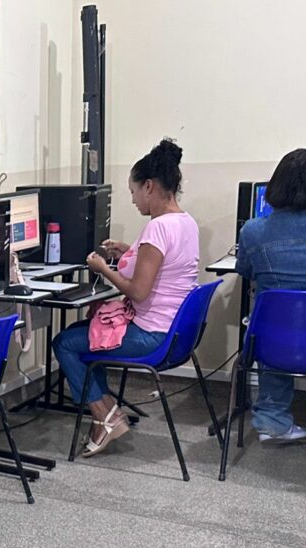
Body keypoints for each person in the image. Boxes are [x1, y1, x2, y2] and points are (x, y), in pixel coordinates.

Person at [53, 138, 200, 457]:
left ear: (148, 186)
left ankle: (102, 416)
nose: (133, 201)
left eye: (133, 192)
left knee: (65, 343)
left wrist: (102, 268)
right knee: (91, 334)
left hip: (152, 336)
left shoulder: (158, 229)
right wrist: (127, 252)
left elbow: (137, 290)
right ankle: (107, 412)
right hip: (176, 334)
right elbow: (161, 269)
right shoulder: (185, 223)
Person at [235, 148, 306, 442]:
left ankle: (272, 421)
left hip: (271, 345)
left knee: (275, 319)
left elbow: (245, 271)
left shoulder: (253, 231)